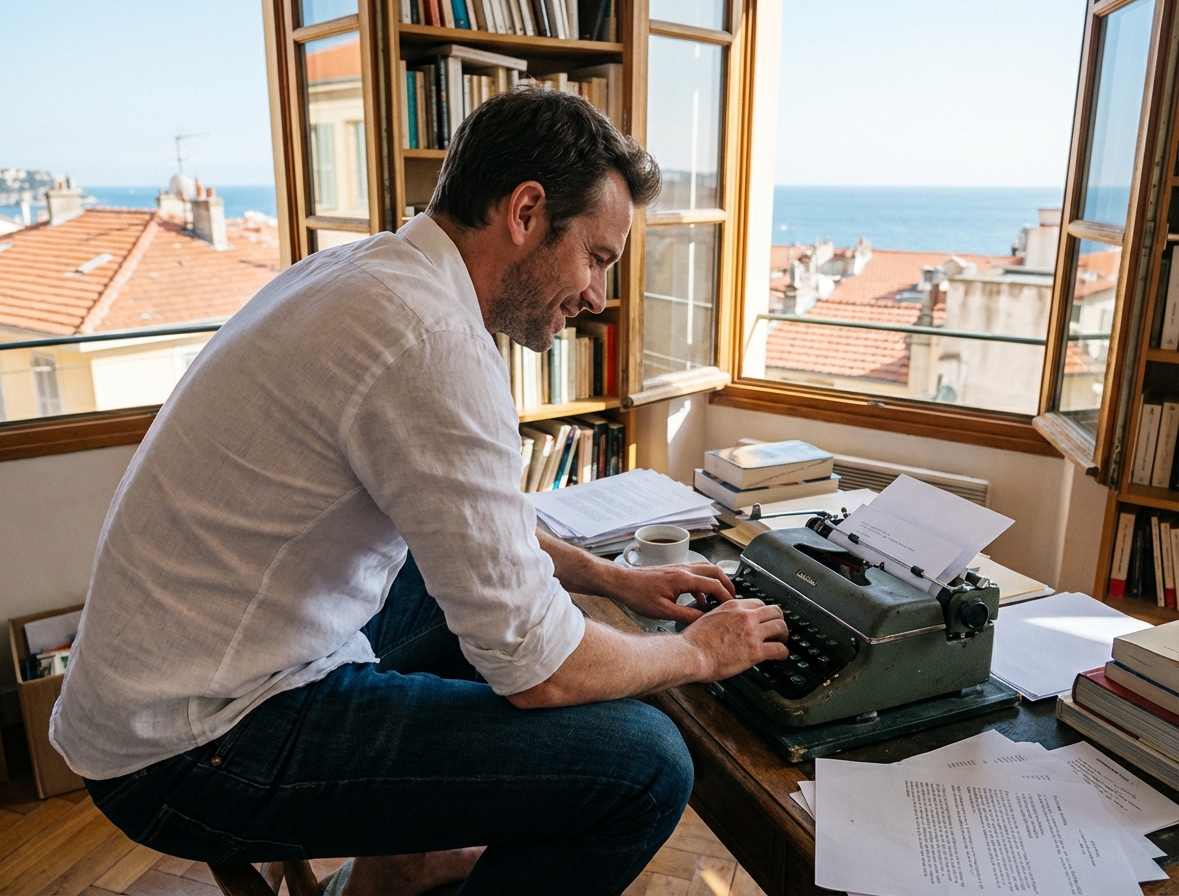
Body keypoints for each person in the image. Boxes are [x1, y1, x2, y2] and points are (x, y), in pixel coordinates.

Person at [50, 86, 790, 895]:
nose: (597, 298)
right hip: (192, 749)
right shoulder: (431, 341)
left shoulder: (369, 271)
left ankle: (393, 864)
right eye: (598, 258)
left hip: (163, 690)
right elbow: (541, 670)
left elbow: (476, 526)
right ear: (526, 212)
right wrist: (693, 652)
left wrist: (609, 577)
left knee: (476, 600)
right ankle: (410, 859)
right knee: (648, 766)